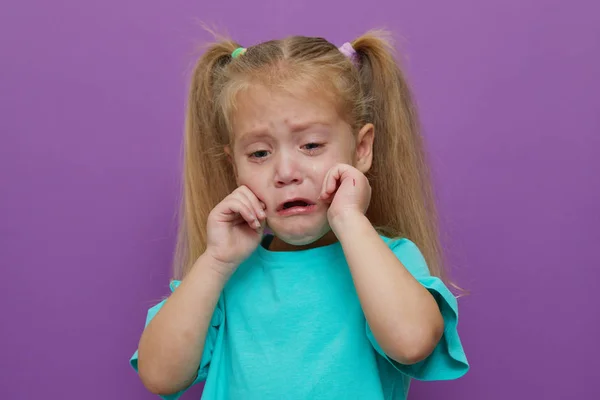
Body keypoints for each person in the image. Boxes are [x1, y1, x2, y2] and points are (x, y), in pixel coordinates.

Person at [129, 29, 469, 400]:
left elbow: (412, 342)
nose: (286, 171)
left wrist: (351, 221)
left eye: (310, 145)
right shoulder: (222, 274)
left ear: (361, 149)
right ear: (234, 169)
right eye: (259, 153)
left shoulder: (387, 261)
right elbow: (160, 376)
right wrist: (214, 262)